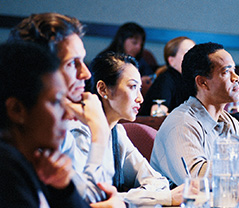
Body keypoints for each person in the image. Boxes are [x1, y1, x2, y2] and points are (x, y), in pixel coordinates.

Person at [8, 13, 124, 206]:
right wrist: (100, 131)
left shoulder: (55, 131)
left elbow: (84, 196)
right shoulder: (16, 153)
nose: (86, 74)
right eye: (72, 63)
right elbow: (96, 195)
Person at [150, 42, 239, 187]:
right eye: (226, 72)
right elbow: (196, 180)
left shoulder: (226, 120)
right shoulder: (181, 123)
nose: (236, 77)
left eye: (235, 70)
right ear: (202, 82)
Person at [69, 51, 182, 205]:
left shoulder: (117, 132)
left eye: (140, 88)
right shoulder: (79, 133)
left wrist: (123, 198)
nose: (140, 98)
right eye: (132, 87)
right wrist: (162, 198)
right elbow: (91, 198)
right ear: (103, 89)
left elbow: (158, 182)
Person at [0, 41, 91, 207]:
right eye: (56, 102)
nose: (68, 113)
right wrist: (100, 134)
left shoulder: (38, 163)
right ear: (17, 110)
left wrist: (62, 188)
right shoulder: (6, 170)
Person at [139, 36, 195, 116]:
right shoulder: (166, 80)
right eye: (187, 53)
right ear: (171, 61)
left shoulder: (192, 81)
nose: (193, 58)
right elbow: (157, 114)